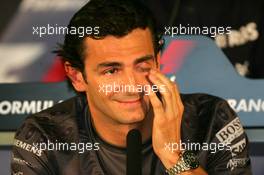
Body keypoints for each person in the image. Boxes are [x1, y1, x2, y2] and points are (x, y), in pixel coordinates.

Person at [11, 0, 252, 174]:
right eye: (111, 70)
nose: (132, 85)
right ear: (77, 77)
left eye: (142, 65)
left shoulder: (211, 120)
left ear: (158, 61)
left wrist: (174, 156)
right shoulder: (44, 137)